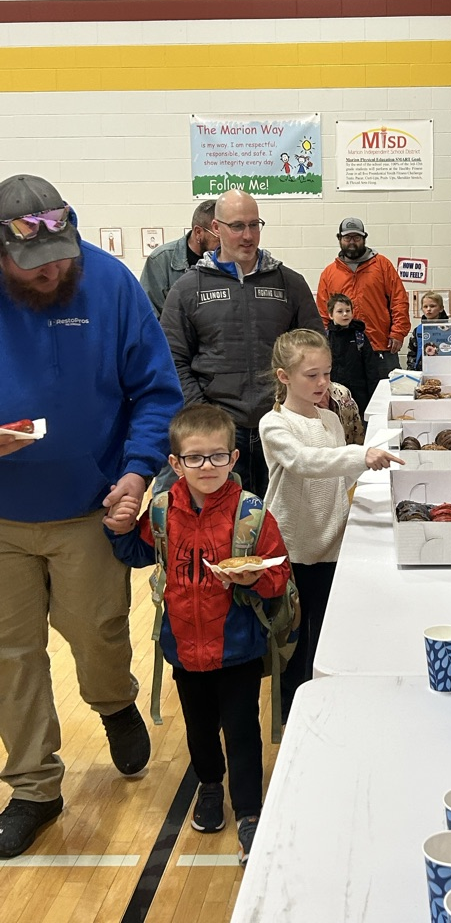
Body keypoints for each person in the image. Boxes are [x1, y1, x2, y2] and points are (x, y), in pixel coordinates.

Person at [0, 174, 183, 858]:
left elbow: (157, 392)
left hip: (91, 508)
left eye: (59, 258)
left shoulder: (109, 285)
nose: (50, 274)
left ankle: (113, 701)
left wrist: (137, 473)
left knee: (97, 633)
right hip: (2, 517)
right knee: (10, 657)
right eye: (31, 265)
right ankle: (33, 788)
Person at [105, 405, 291, 866]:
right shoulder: (165, 511)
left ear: (233, 458)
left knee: (243, 731)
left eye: (216, 457)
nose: (206, 467)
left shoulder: (252, 514)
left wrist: (254, 579)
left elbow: (279, 573)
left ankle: (249, 810)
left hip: (239, 647)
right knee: (201, 728)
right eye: (194, 458)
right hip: (183, 648)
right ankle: (209, 786)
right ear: (175, 464)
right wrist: (118, 530)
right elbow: (138, 554)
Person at [259, 329, 403, 717]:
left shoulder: (330, 419)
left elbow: (341, 476)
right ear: (283, 377)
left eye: (327, 373)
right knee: (296, 641)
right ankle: (293, 714)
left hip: (334, 545)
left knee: (328, 635)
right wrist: (363, 455)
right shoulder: (274, 425)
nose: (323, 383)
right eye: (312, 375)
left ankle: (327, 706)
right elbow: (305, 463)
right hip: (295, 549)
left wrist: (377, 483)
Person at [160, 189, 324, 499]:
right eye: (237, 226)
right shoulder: (186, 289)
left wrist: (300, 402)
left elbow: (315, 350)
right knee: (223, 529)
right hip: (217, 436)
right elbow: (172, 360)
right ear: (216, 229)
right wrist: (206, 414)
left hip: (280, 425)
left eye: (254, 225)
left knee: (280, 522)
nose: (247, 235)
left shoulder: (290, 283)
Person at [316, 217, 410, 379]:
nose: (352, 242)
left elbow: (399, 300)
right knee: (346, 400)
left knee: (387, 398)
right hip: (343, 351)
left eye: (357, 238)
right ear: (339, 239)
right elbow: (323, 313)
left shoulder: (382, 265)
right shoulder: (329, 273)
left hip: (380, 347)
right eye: (347, 238)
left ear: (364, 239)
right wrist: (324, 344)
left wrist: (398, 333)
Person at [139, 201, 219, 318]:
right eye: (219, 238)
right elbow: (149, 316)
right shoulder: (161, 261)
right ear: (198, 232)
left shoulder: (230, 258)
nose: (225, 245)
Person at [325, 292, 380, 418]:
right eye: (340, 311)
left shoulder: (359, 336)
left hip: (359, 392)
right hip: (334, 391)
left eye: (348, 310)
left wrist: (373, 394)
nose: (345, 314)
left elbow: (371, 367)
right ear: (330, 315)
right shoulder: (325, 338)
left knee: (359, 425)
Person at [407, 291, 451, 373]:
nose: (428, 309)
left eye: (432, 306)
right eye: (425, 306)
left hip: (447, 373)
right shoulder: (418, 331)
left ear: (441, 308)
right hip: (423, 373)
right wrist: (413, 371)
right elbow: (411, 353)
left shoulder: (449, 329)